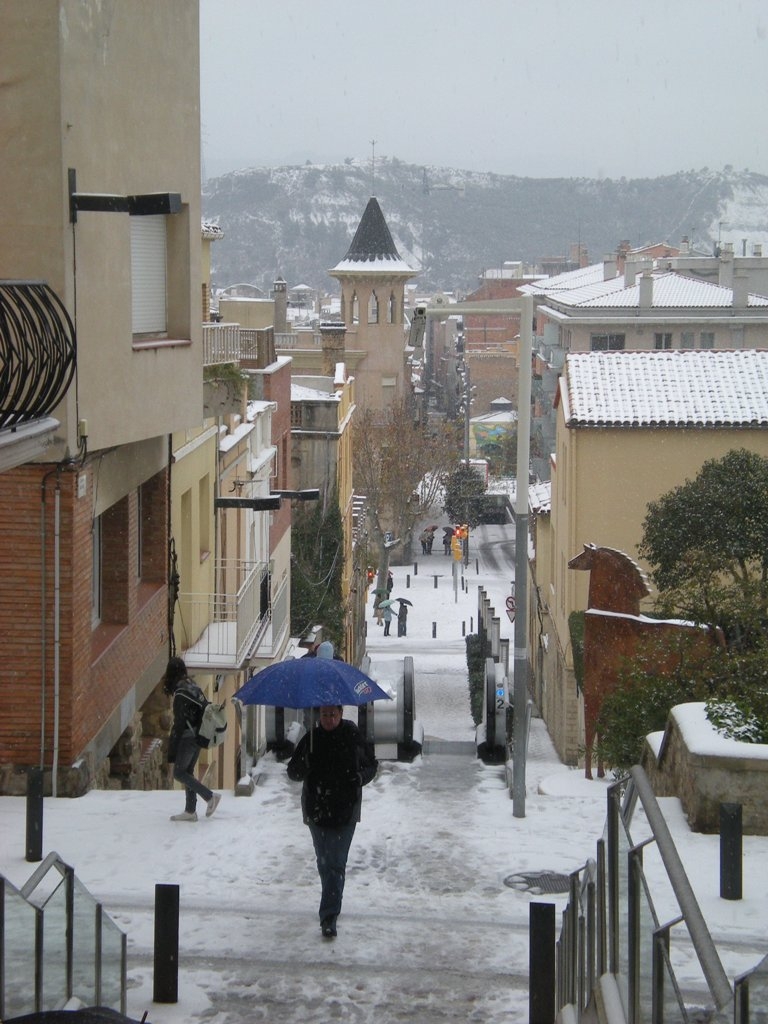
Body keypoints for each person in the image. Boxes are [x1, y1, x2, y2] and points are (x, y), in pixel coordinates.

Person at [287, 703, 378, 938]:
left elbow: (371, 765)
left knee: (336, 862)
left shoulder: (352, 736)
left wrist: (359, 777)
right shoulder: (312, 739)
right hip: (316, 809)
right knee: (324, 861)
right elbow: (293, 771)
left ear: (340, 714)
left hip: (345, 810)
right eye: (324, 715)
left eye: (332, 714)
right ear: (319, 715)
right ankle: (332, 894)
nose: (328, 719)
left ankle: (329, 916)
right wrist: (304, 766)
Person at [163, 656, 221, 822]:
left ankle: (210, 797)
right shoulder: (193, 686)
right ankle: (190, 811)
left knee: (180, 772)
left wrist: (172, 749)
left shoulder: (181, 693)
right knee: (187, 771)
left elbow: (179, 723)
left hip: (188, 738)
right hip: (199, 736)